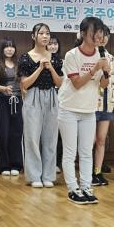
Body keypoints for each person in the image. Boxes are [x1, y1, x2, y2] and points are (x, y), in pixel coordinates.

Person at [58, 17, 109, 205]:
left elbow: (103, 85)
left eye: (101, 32)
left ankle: (87, 187)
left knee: (87, 151)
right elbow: (77, 83)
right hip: (69, 108)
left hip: (89, 109)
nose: (98, 36)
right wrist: (95, 68)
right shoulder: (72, 55)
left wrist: (106, 73)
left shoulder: (102, 55)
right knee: (70, 152)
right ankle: (73, 189)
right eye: (94, 32)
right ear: (83, 33)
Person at [18, 23, 63, 188]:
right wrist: (39, 68)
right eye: (41, 33)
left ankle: (48, 175)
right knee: (32, 137)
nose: (45, 36)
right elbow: (24, 84)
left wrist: (50, 68)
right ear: (33, 36)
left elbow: (60, 83)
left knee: (51, 138)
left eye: (47, 33)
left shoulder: (55, 58)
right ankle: (34, 176)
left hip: (52, 96)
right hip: (32, 97)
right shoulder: (25, 57)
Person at [92, 26, 114, 186]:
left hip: (107, 103)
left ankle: (97, 172)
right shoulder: (89, 55)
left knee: (101, 139)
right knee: (89, 140)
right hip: (91, 103)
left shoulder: (113, 59)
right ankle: (86, 171)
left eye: (106, 35)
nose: (103, 38)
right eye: (100, 35)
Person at [0, 38, 23, 176]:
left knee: (16, 134)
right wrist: (4, 88)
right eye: (6, 47)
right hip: (2, 101)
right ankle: (3, 166)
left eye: (12, 46)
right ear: (2, 49)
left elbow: (24, 82)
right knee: (2, 133)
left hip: (18, 101)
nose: (10, 49)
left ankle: (16, 165)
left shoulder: (19, 64)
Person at [47, 36, 64, 174]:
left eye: (55, 43)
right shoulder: (41, 60)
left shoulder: (63, 62)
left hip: (61, 98)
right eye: (50, 44)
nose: (53, 46)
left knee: (59, 134)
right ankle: (46, 162)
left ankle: (57, 162)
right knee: (47, 132)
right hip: (45, 97)